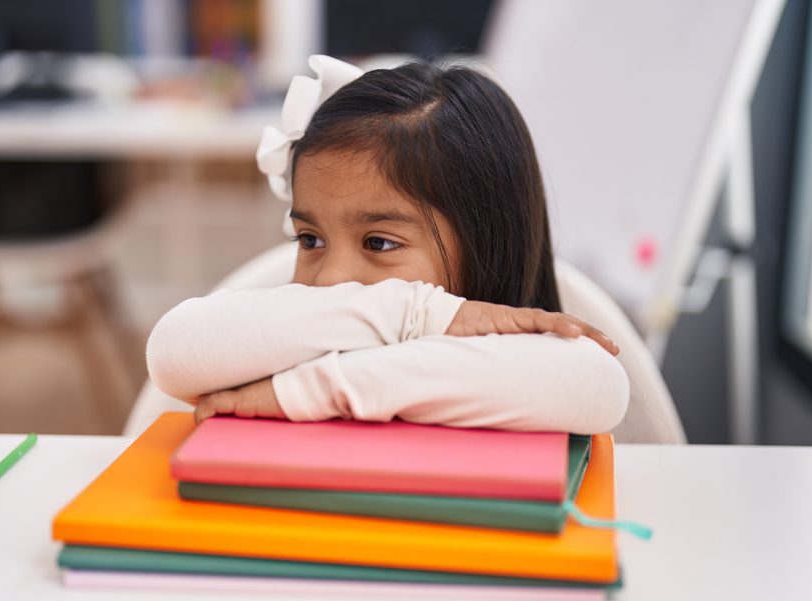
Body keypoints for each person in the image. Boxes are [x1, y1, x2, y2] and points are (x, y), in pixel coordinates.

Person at [146, 57, 629, 435]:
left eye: (378, 242)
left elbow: (596, 382)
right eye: (310, 239)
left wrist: (312, 391)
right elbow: (173, 352)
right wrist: (416, 314)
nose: (330, 278)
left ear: (488, 243)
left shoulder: (533, 368)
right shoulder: (295, 333)